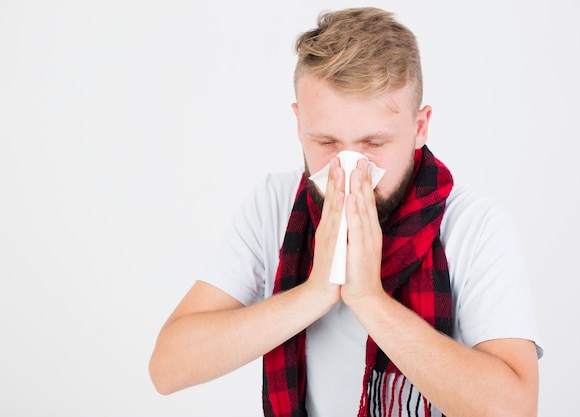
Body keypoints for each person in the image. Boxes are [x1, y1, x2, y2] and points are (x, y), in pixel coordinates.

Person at [149, 7, 543, 417]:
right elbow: (167, 368)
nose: (350, 171)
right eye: (327, 143)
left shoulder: (474, 226)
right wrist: (314, 293)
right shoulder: (274, 204)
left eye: (374, 144)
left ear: (420, 127)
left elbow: (514, 409)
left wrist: (369, 299)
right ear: (299, 124)